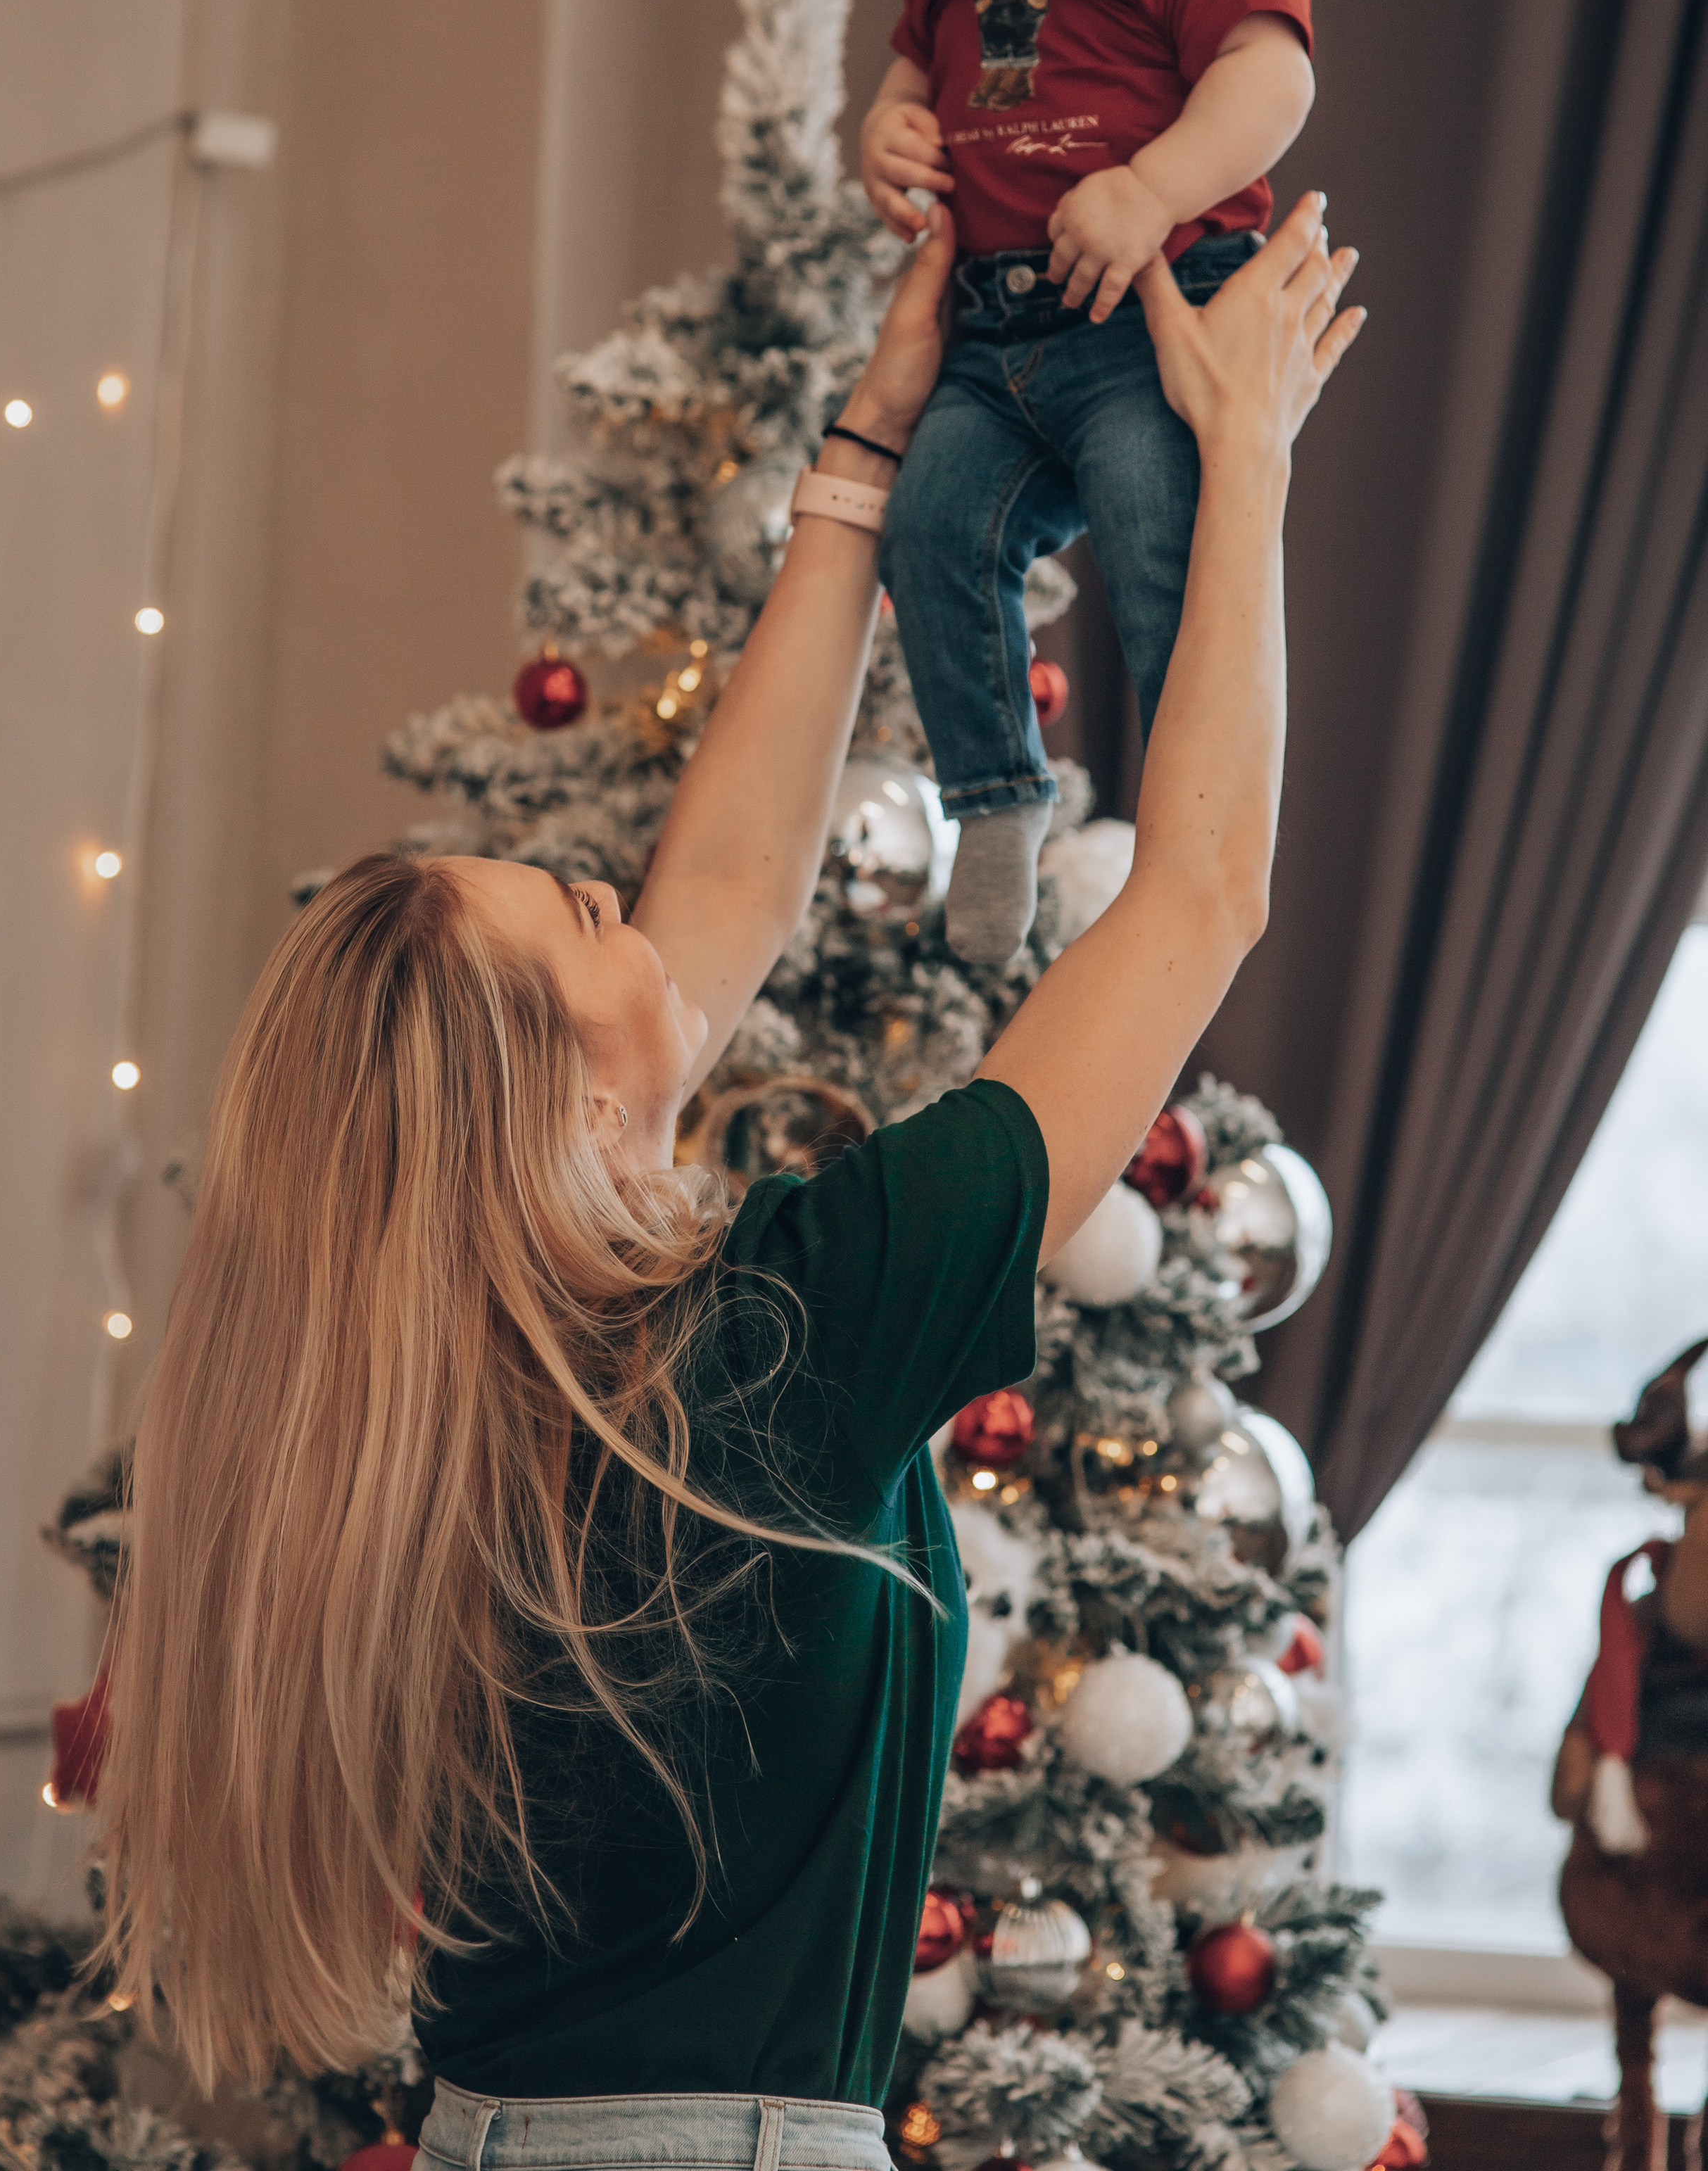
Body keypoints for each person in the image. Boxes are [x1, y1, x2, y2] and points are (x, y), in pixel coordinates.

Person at [99, 194, 1362, 2171]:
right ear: (547, 1099)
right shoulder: (768, 1349)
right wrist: (1255, 463)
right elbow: (1200, 897)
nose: (653, 923)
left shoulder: (422, 1424)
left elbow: (720, 900)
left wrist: (869, 451)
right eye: (594, 918)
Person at [860, 0, 1317, 966]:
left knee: (1157, 540)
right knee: (928, 529)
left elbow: (1269, 81)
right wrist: (885, 129)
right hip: (992, 340)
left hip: (1149, 318)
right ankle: (995, 794)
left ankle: (1198, 826)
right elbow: (908, 70)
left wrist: (1146, 189)